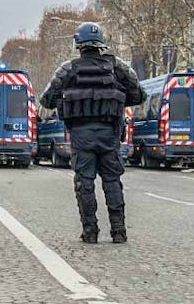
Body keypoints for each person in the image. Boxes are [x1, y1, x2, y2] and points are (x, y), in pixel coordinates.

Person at [39, 22, 145, 245]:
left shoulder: (68, 68)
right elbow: (139, 95)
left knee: (84, 183)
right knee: (112, 181)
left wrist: (68, 98)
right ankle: (118, 230)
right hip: (110, 134)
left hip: (81, 135)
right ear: (102, 44)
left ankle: (90, 231)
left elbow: (46, 100)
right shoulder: (119, 67)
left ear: (78, 44)